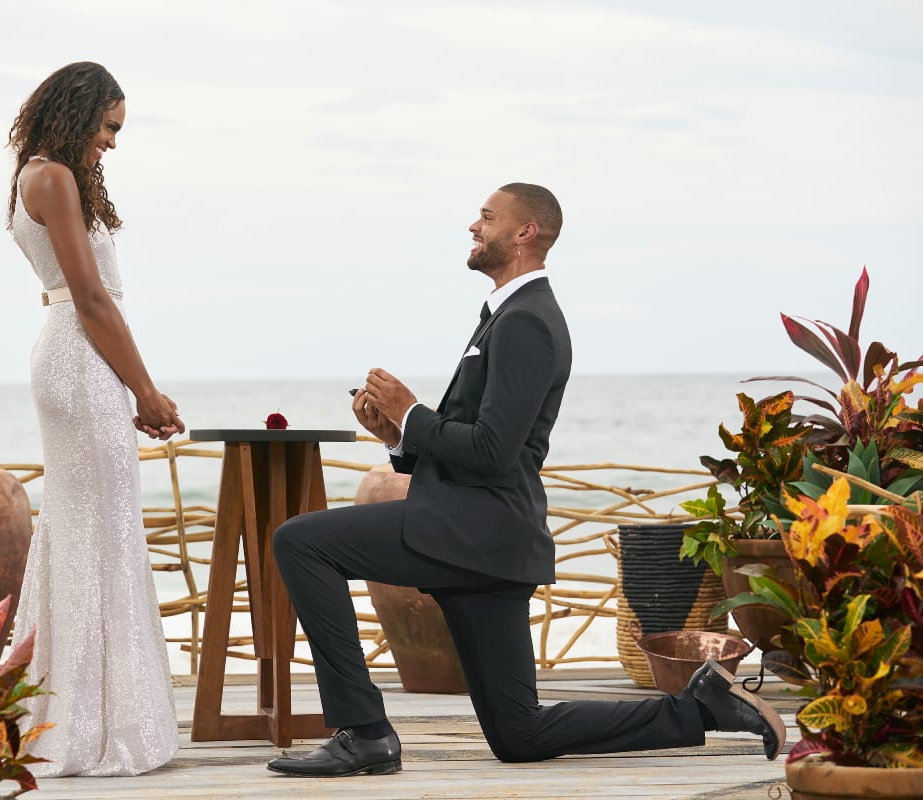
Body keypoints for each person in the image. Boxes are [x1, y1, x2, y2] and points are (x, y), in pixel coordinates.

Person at [268, 183, 785, 777]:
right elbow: (480, 442)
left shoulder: (527, 322)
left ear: (524, 233)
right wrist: (400, 436)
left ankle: (363, 732)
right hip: (485, 539)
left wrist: (414, 413)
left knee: (301, 541)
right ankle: (699, 709)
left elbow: (492, 452)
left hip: (471, 529)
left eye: (487, 217)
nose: (473, 226)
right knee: (520, 733)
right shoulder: (507, 316)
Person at [6, 61, 183, 777]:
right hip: (82, 362)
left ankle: (86, 714)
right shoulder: (52, 177)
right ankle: (79, 725)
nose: (112, 142)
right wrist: (147, 391)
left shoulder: (46, 174)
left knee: (95, 531)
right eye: (108, 126)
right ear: (76, 115)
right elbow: (92, 300)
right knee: (95, 533)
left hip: (80, 358)